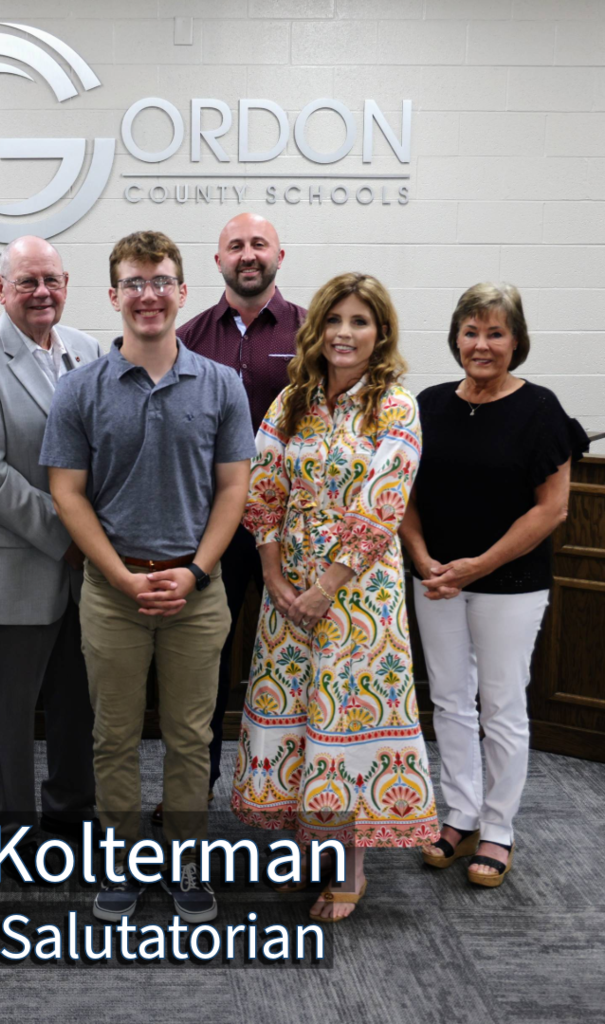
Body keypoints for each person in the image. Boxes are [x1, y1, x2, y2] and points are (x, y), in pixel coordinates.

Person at [43, 230, 255, 925]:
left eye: (161, 281)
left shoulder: (221, 385)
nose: (148, 295)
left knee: (193, 738)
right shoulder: (81, 388)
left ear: (182, 291)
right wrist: (121, 577)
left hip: (198, 592)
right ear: (114, 296)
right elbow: (67, 493)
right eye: (133, 283)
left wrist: (195, 571)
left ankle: (188, 863)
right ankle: (124, 861)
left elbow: (234, 488)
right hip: (113, 592)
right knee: (114, 736)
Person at [232, 272, 438, 922]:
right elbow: (263, 487)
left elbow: (383, 505)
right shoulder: (291, 400)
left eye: (360, 321)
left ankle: (351, 867)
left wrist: (326, 587)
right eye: (334, 320)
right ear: (317, 329)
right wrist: (274, 577)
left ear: (381, 333)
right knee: (297, 716)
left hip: (358, 595)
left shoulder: (396, 405)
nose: (344, 333)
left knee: (343, 719)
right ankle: (307, 851)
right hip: (288, 588)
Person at [400, 283, 588, 888]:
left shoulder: (541, 410)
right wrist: (424, 559)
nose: (481, 345)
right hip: (435, 580)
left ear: (516, 341)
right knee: (450, 700)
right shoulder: (428, 404)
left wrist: (475, 566)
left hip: (511, 583)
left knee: (501, 705)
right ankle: (460, 815)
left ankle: (499, 828)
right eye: (471, 332)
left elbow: (552, 509)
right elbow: (401, 494)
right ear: (455, 337)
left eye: (496, 333)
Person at [0, 236, 99, 874]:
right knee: (8, 719)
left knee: (76, 707)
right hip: (17, 568)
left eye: (51, 280)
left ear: (66, 283)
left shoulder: (88, 351)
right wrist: (73, 539)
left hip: (87, 577)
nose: (41, 292)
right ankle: (12, 835)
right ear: (1, 288)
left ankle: (71, 819)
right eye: (27, 281)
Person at [175, 213, 306, 822]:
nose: (247, 255)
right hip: (214, 530)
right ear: (218, 260)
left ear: (279, 254)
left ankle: (301, 794)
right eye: (235, 246)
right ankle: (193, 788)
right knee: (203, 665)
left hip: (296, 532)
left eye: (258, 244)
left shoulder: (312, 333)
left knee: (297, 663)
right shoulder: (188, 337)